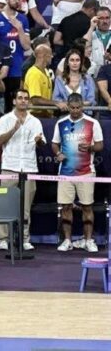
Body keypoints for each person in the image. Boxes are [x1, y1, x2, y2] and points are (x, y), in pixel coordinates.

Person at [52, 93, 104, 253]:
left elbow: (100, 145)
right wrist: (58, 154)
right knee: (66, 207)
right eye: (72, 108)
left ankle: (88, 240)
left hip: (86, 172)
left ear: (83, 107)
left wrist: (90, 148)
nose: (75, 111)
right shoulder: (60, 123)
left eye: (78, 108)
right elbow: (55, 144)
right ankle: (67, 240)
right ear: (68, 107)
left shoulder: (92, 123)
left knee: (87, 207)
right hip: (65, 172)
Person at [0, 89, 44, 251]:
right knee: (4, 205)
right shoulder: (5, 119)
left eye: (26, 98)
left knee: (26, 207)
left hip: (29, 168)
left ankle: (24, 238)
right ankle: (3, 239)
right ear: (14, 101)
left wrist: (39, 141)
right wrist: (13, 129)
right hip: (9, 167)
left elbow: (42, 142)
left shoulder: (35, 121)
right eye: (20, 98)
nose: (23, 101)